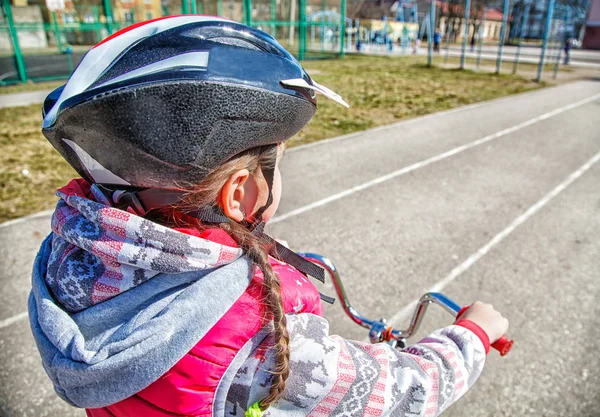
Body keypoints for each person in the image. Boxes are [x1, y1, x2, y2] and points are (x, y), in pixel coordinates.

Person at [29, 16, 509, 417]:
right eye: (280, 159)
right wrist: (474, 332)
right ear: (242, 194)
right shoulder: (255, 340)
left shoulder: (69, 259)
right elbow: (404, 389)